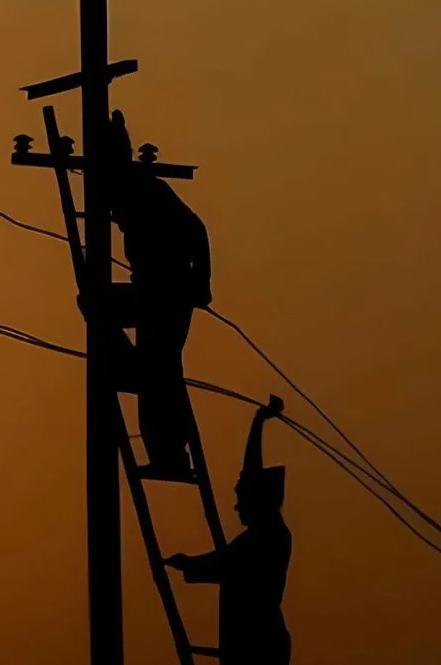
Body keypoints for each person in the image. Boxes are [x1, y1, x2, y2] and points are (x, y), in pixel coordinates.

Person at [106, 110, 212, 480]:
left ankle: (169, 451)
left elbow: (197, 229)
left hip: (168, 292)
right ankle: (166, 450)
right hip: (152, 291)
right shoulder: (125, 189)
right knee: (159, 368)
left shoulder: (147, 189)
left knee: (158, 367)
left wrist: (202, 282)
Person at [166, 395, 292, 665]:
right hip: (253, 640)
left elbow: (223, 563)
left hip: (258, 645)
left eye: (241, 498)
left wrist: (187, 563)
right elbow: (251, 471)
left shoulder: (265, 539)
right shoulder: (267, 533)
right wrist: (258, 423)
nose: (236, 506)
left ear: (257, 501)